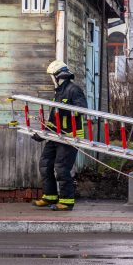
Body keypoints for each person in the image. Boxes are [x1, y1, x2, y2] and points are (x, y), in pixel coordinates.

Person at [31, 60, 87, 212]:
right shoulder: (59, 92)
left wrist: (66, 110)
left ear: (58, 76)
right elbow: (53, 118)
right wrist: (43, 134)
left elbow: (82, 109)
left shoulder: (73, 90)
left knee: (61, 168)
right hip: (55, 135)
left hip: (69, 136)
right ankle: (50, 196)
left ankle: (66, 201)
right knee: (45, 164)